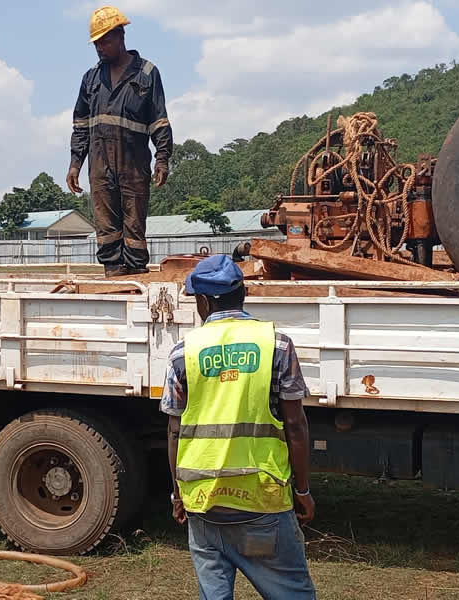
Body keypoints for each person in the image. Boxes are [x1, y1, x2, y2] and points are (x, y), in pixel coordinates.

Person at [162, 255, 317, 599]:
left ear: (202, 301)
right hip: (263, 502)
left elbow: (175, 431)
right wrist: (302, 491)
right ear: (244, 292)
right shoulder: (277, 345)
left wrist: (177, 494)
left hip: (203, 503)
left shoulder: (182, 353)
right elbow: (295, 425)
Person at [67, 6, 172, 277]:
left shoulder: (147, 73)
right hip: (100, 165)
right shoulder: (90, 79)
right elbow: (80, 125)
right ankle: (113, 275)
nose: (100, 47)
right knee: (105, 225)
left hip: (134, 165)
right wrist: (75, 163)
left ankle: (136, 275)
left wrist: (162, 158)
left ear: (120, 36)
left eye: (105, 40)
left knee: (134, 224)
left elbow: (159, 120)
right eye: (96, 43)